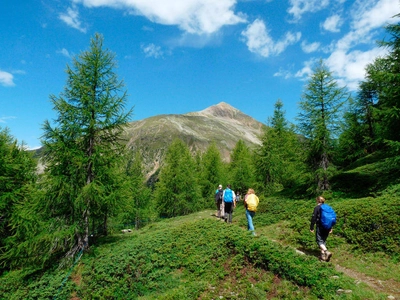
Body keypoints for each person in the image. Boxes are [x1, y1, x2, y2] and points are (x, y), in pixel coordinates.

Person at [310, 196, 333, 262]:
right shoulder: (327, 207)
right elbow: (330, 218)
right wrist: (330, 227)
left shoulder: (317, 208)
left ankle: (326, 252)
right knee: (323, 241)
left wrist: (311, 227)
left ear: (317, 201)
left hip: (320, 226)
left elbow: (313, 218)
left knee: (319, 240)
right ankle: (323, 257)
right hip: (327, 226)